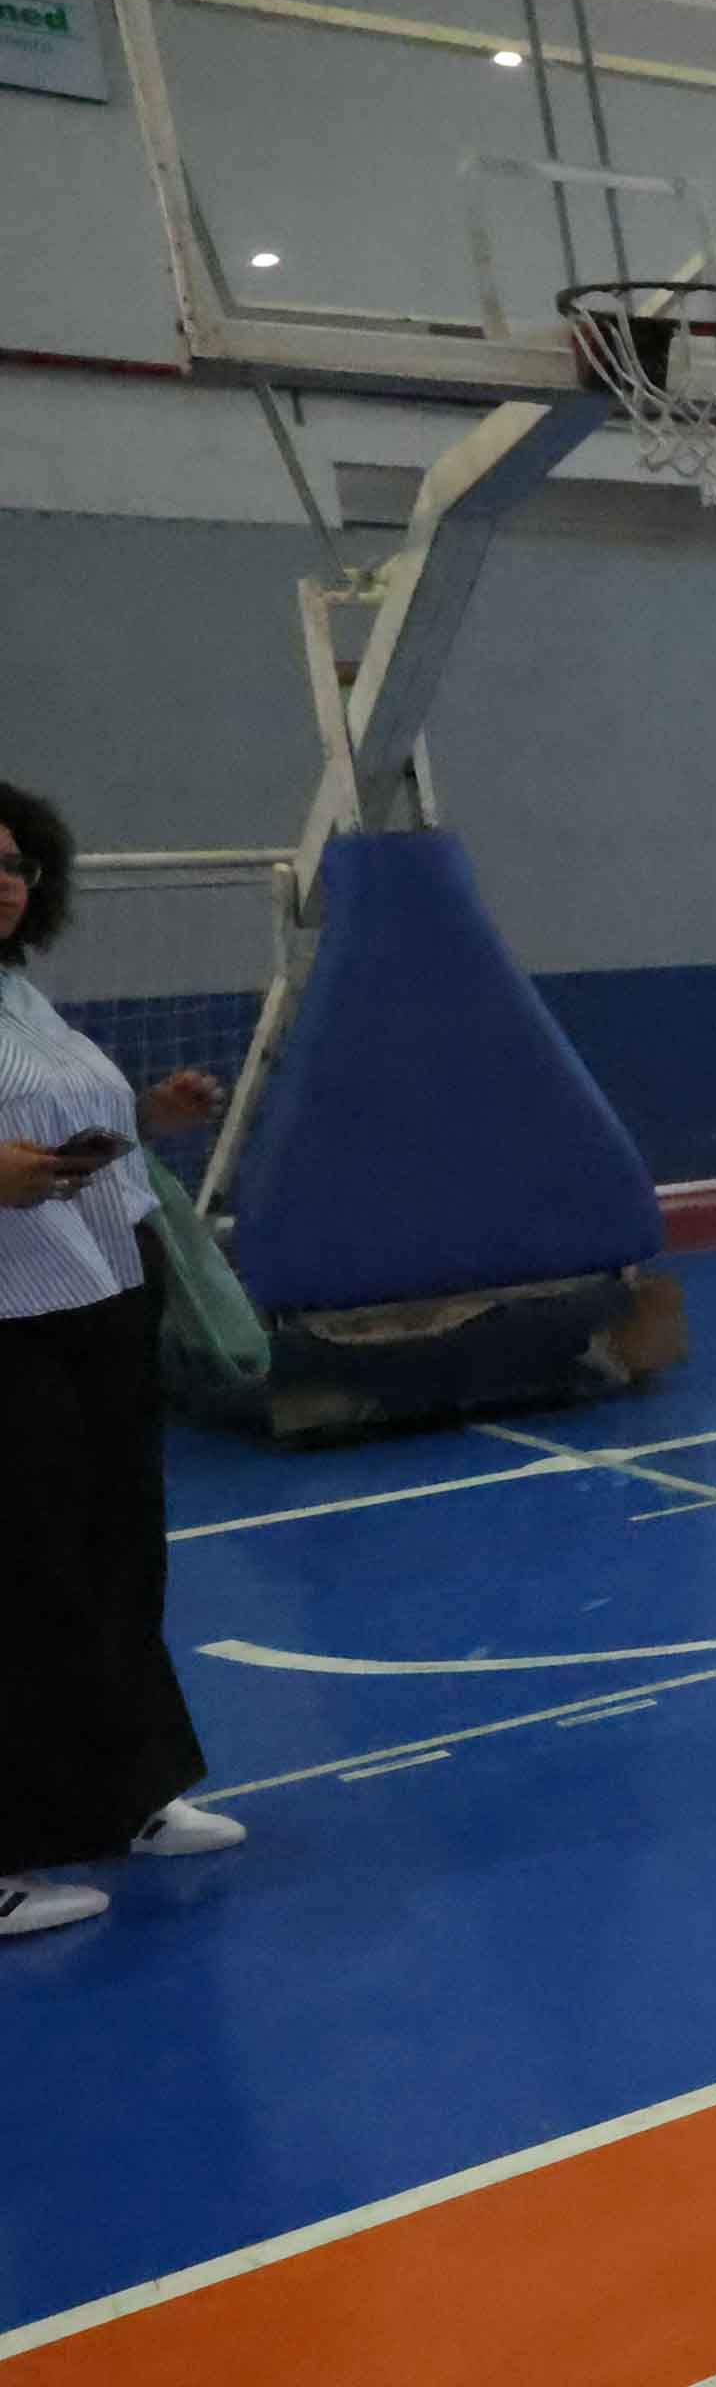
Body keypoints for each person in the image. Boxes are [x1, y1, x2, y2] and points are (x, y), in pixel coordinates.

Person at [1, 783, 245, 1940]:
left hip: (97, 1303)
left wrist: (145, 1118)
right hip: (9, 1325)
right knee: (20, 1583)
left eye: (15, 865)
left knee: (113, 1560)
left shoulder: (20, 997)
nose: (4, 883)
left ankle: (127, 1794)